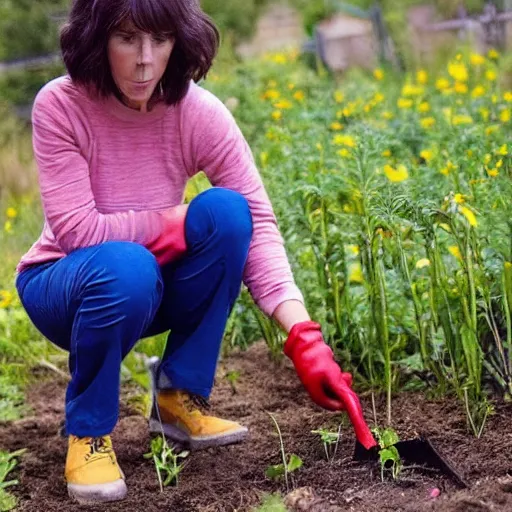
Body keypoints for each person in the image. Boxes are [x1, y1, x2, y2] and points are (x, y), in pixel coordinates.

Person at [15, 0, 358, 505]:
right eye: (127, 38)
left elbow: (258, 224)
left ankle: (176, 399)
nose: (146, 60)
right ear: (96, 37)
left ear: (181, 41)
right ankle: (88, 432)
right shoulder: (61, 105)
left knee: (227, 213)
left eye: (161, 39)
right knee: (126, 265)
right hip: (63, 285)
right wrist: (171, 223)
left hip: (148, 282)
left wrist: (304, 336)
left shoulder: (196, 112)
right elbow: (77, 231)